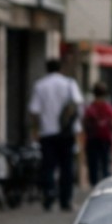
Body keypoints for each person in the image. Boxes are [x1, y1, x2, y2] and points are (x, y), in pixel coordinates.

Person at [28, 58, 84, 211]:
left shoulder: (40, 85)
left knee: (48, 166)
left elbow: (34, 111)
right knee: (66, 167)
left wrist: (35, 130)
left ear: (46, 68)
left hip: (47, 132)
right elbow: (78, 104)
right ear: (60, 68)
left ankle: (48, 195)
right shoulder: (69, 84)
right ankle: (65, 200)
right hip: (66, 132)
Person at [81, 81, 112, 187]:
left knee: (93, 164)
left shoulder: (90, 108)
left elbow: (84, 124)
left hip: (92, 139)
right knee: (105, 163)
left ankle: (94, 186)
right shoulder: (109, 108)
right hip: (105, 139)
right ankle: (105, 185)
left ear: (94, 93)